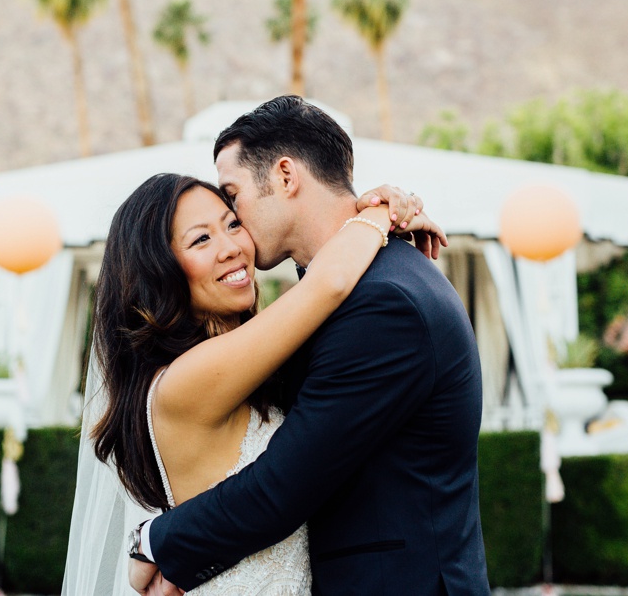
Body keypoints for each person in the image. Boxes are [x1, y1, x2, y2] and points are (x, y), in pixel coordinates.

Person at [127, 96, 490, 596]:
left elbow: (285, 485)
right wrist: (379, 214)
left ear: (284, 176)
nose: (235, 227)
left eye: (233, 199)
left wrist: (157, 541)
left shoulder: (382, 303)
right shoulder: (356, 290)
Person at [68, 162, 442, 596]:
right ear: (158, 270)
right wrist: (382, 210)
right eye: (201, 239)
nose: (231, 247)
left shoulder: (243, 369)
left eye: (232, 224)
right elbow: (329, 283)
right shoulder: (186, 379)